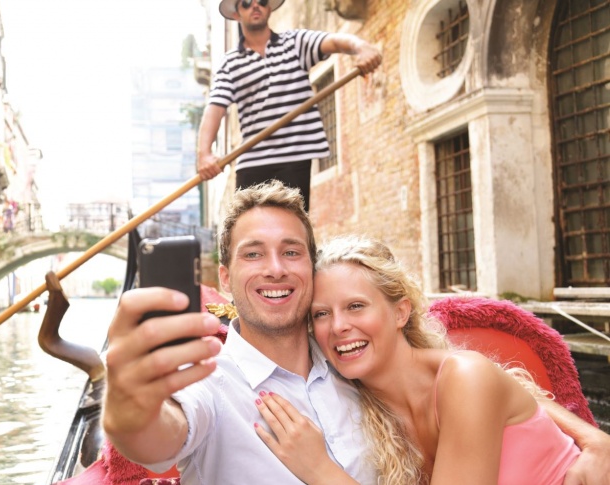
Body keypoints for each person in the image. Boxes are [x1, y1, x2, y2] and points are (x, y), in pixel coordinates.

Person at [102, 180, 610, 484]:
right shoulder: (207, 381)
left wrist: (594, 440)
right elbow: (156, 436)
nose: (275, 268)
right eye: (253, 253)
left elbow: (481, 383)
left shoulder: (352, 369)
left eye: (292, 252)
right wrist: (129, 405)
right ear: (225, 277)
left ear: (401, 313)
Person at [254, 235, 607, 484]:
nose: (339, 326)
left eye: (356, 306)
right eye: (320, 315)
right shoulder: (359, 409)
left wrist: (319, 471)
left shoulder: (464, 376)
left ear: (400, 312)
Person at [196, 0, 382, 212]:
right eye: (246, 3)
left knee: (292, 228)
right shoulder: (230, 63)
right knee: (247, 228)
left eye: (262, 1)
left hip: (295, 157)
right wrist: (204, 154)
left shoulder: (295, 42)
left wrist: (363, 48)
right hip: (252, 160)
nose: (255, 6)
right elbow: (215, 108)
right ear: (237, 14)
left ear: (269, 8)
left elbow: (337, 41)